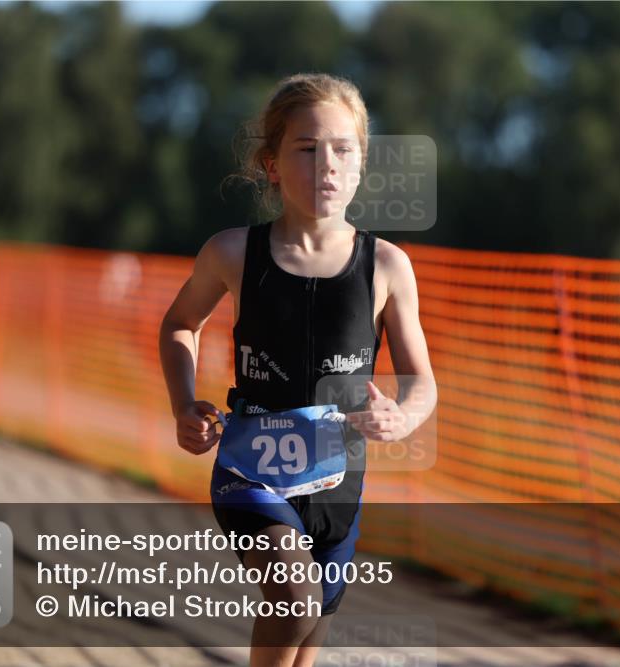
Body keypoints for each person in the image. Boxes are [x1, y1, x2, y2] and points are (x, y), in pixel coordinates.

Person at [159, 72, 436, 667]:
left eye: (343, 150)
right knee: (294, 598)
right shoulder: (232, 252)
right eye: (306, 149)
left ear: (361, 164)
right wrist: (184, 404)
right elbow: (180, 323)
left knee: (308, 633)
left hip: (339, 484)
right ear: (271, 165)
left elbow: (422, 383)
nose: (326, 165)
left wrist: (402, 415)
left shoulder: (387, 266)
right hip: (248, 471)